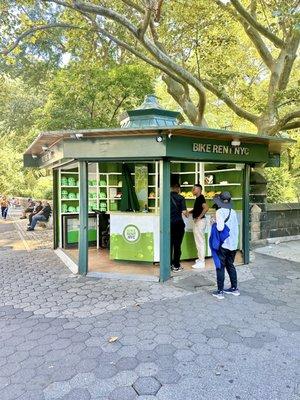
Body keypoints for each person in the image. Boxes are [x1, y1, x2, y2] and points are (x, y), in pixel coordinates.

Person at [210, 191, 240, 300]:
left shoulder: (220, 212)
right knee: (230, 265)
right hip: (233, 244)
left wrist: (214, 222)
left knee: (220, 266)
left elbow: (220, 228)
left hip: (223, 244)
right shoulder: (233, 212)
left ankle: (220, 291)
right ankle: (234, 289)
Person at [190, 184, 209, 269]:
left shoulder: (201, 198)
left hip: (200, 222)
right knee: (199, 241)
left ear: (199, 189)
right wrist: (189, 212)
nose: (192, 190)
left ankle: (202, 262)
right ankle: (200, 259)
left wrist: (199, 217)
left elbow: (206, 208)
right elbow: (197, 209)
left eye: (194, 189)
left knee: (200, 242)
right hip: (199, 222)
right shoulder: (198, 198)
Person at [170, 183, 188, 272]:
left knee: (169, 245)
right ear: (178, 189)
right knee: (177, 246)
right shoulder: (181, 198)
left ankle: (168, 264)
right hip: (178, 224)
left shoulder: (165, 198)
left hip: (168, 224)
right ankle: (176, 265)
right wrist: (188, 214)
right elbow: (184, 212)